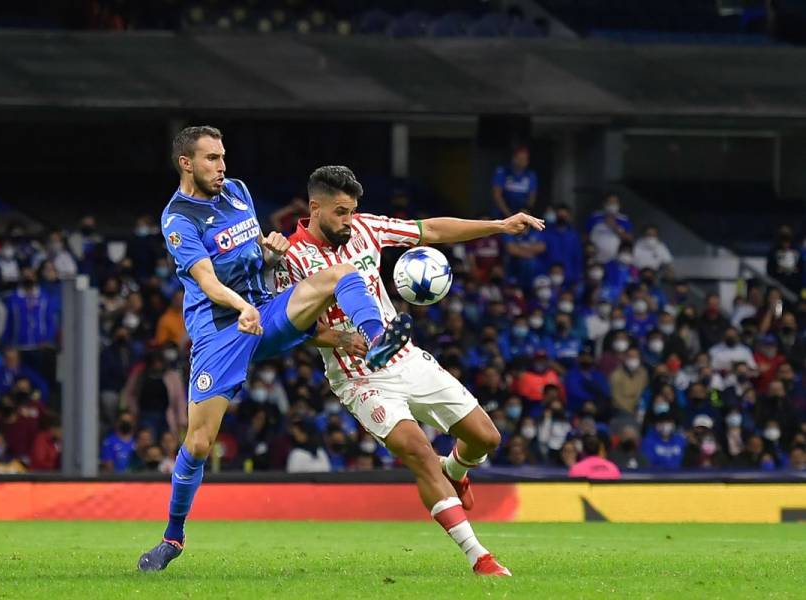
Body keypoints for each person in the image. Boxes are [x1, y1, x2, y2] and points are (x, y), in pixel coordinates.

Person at [139, 127, 418, 572]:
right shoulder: (178, 217)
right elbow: (207, 281)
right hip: (221, 333)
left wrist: (270, 256)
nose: (222, 166)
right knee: (198, 443)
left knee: (339, 272)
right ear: (186, 163)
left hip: (265, 312)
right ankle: (173, 538)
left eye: (223, 156)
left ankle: (377, 338)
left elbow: (256, 262)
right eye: (211, 158)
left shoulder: (238, 193)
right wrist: (239, 306)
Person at [275, 165, 543, 575]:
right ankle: (479, 557)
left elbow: (430, 230)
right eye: (341, 213)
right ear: (315, 208)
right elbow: (288, 328)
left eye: (352, 211)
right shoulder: (291, 257)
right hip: (358, 377)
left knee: (485, 437)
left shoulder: (365, 228)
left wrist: (500, 225)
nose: (349, 220)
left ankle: (455, 471)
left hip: (406, 358)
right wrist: (338, 339)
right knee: (419, 452)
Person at [491, 145, 537, 217]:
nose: (522, 161)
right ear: (514, 158)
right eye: (520, 159)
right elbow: (497, 195)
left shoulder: (531, 175)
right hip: (502, 214)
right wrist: (509, 215)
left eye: (525, 159)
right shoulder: (502, 171)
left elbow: (532, 197)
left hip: (521, 213)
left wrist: (526, 211)